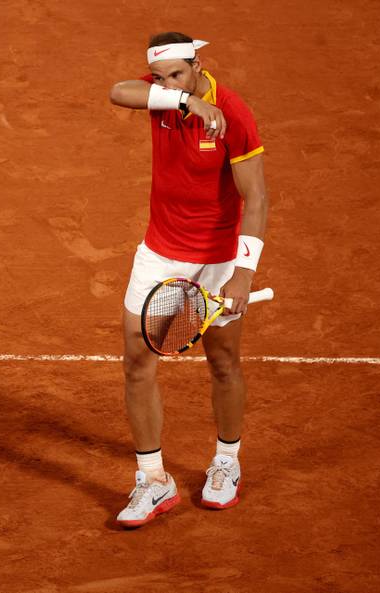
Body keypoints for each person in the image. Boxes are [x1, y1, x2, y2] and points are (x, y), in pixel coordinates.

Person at [108, 32, 268, 527]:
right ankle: (153, 480)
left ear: (198, 65)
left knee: (222, 360)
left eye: (178, 74)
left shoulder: (234, 113)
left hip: (220, 256)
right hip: (160, 250)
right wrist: (184, 99)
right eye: (160, 77)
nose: (165, 82)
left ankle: (226, 461)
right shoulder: (166, 95)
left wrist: (243, 273)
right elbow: (119, 91)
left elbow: (256, 199)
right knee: (137, 359)